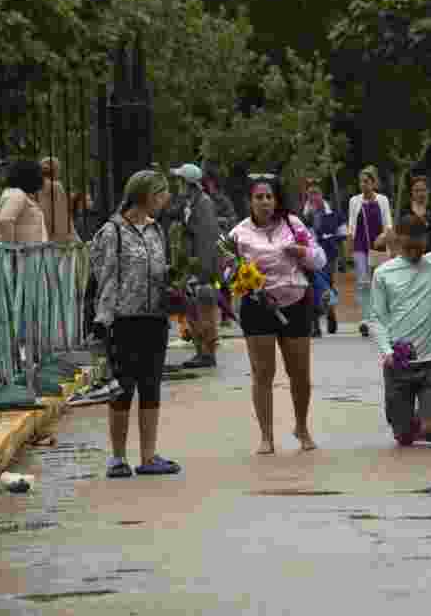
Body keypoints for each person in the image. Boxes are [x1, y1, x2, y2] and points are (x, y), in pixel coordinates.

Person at [90, 170, 179, 478]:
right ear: (146, 195)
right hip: (123, 320)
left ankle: (148, 456)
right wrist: (102, 321)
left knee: (151, 386)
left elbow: (160, 269)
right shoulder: (112, 232)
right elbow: (105, 277)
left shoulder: (157, 230)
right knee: (122, 389)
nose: (166, 199)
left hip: (154, 318)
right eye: (161, 193)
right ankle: (117, 458)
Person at [230, 175, 325, 455]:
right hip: (257, 307)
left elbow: (319, 259)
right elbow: (225, 271)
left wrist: (301, 251)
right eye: (259, 197)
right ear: (250, 201)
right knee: (263, 374)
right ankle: (266, 436)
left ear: (277, 199)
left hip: (295, 303)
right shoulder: (238, 234)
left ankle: (302, 428)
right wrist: (236, 275)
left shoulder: (294, 225)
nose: (265, 202)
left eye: (269, 197)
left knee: (300, 374)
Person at [370, 214, 431, 446]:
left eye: (420, 243)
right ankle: (406, 423)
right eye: (409, 245)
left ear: (426, 240)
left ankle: (429, 415)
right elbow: (376, 319)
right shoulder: (383, 273)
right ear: (397, 240)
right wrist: (387, 352)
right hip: (399, 364)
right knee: (404, 438)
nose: (415, 250)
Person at [171, 163, 220, 369]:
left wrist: (203, 271)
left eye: (179, 180)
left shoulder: (203, 203)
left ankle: (207, 353)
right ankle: (201, 352)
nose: (177, 184)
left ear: (187, 182)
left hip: (201, 268)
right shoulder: (191, 202)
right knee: (193, 310)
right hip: (192, 266)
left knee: (204, 310)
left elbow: (207, 238)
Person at [348, 166, 393, 337]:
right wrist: (349, 244)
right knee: (363, 282)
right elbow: (351, 225)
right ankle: (366, 319)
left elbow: (388, 223)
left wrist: (384, 236)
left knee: (379, 282)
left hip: (378, 246)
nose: (363, 185)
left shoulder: (382, 200)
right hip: (360, 246)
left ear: (374, 183)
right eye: (361, 182)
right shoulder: (354, 201)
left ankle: (380, 317)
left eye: (366, 181)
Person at [302, 179, 346, 336]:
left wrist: (342, 258)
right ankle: (315, 325)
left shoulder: (334, 213)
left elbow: (342, 235)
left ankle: (330, 312)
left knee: (328, 285)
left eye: (316, 193)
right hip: (311, 257)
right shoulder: (304, 215)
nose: (313, 197)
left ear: (322, 195)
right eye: (310, 194)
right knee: (312, 286)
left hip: (330, 254)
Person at [0, 160, 48, 244]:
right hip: (11, 251)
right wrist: (11, 248)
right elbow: (5, 220)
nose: (42, 178)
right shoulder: (16, 194)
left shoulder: (20, 195)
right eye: (39, 174)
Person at [38, 157, 78, 243]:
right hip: (56, 236)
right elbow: (61, 214)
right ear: (55, 171)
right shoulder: (56, 186)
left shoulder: (35, 187)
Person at [404, 175, 431, 252]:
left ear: (429, 190)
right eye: (417, 191)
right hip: (411, 252)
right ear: (412, 192)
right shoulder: (405, 210)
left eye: (423, 190)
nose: (420, 194)